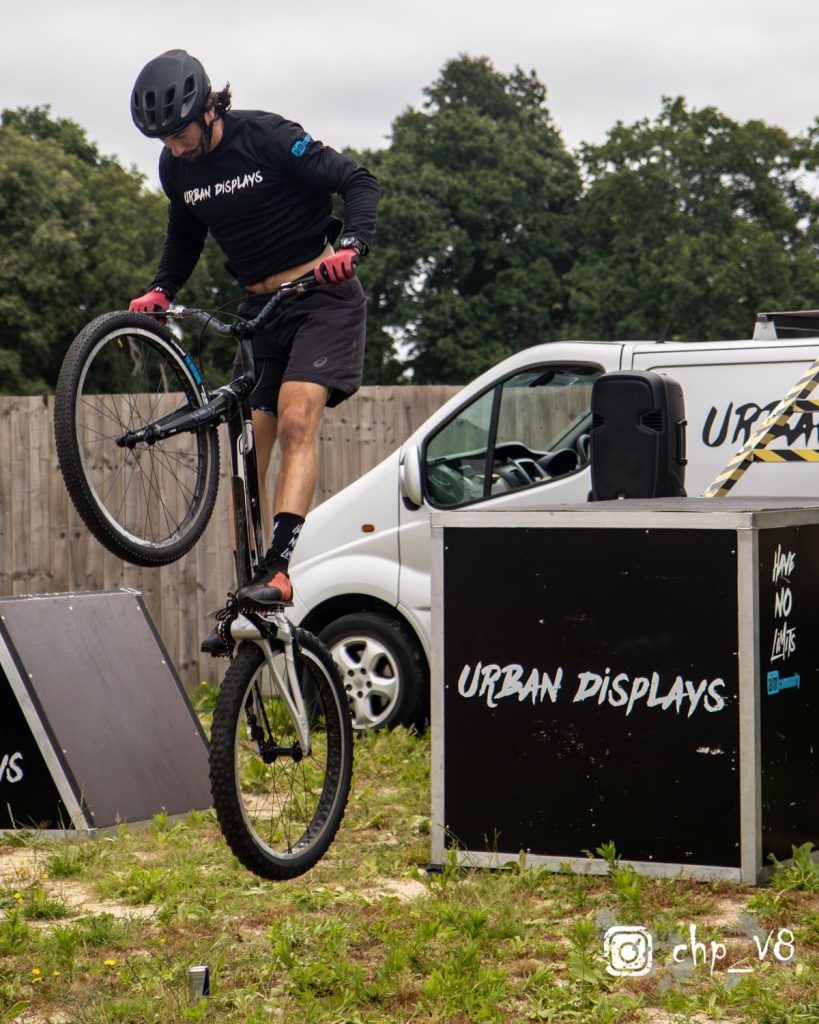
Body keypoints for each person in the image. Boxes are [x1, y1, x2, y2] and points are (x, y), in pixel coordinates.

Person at [129, 49, 379, 655]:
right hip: (258, 312)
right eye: (165, 139)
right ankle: (251, 588)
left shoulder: (268, 137)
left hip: (322, 295)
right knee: (247, 454)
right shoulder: (176, 167)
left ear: (209, 108)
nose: (176, 147)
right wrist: (163, 287)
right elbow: (184, 233)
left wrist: (352, 243)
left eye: (181, 133)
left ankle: (279, 570)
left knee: (296, 417)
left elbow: (358, 182)